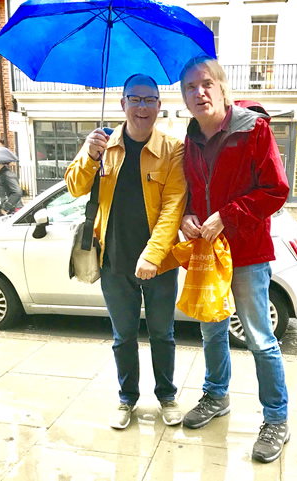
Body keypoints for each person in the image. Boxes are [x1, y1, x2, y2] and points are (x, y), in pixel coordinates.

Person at [179, 56, 290, 464]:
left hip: (246, 253)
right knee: (211, 332)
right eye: (190, 87)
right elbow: (191, 192)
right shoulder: (189, 139)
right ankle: (216, 395)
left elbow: (276, 190)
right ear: (185, 98)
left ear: (222, 88)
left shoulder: (253, 129)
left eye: (206, 83)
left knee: (260, 338)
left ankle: (277, 418)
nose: (199, 92)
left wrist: (227, 216)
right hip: (207, 255)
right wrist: (189, 215)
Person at [65, 74, 187, 429]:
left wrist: (152, 254)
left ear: (159, 107)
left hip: (159, 263)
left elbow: (173, 207)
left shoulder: (173, 149)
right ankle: (126, 399)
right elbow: (74, 187)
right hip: (114, 261)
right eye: (135, 99)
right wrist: (89, 155)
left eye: (150, 100)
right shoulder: (103, 143)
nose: (143, 107)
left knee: (163, 334)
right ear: (122, 104)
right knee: (124, 338)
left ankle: (166, 395)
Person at [0, 147, 23, 216]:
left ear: (0, 163)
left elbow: (17, 192)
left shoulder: (8, 175)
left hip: (11, 211)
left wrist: (5, 208)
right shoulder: (0, 174)